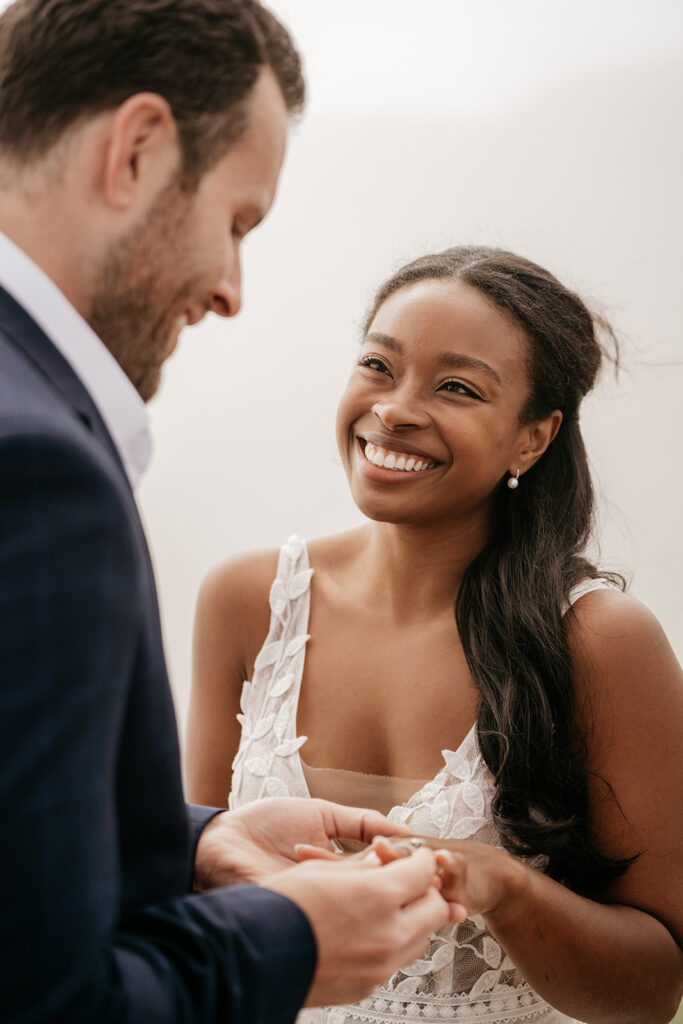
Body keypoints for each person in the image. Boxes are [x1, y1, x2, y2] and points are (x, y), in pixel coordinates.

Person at [0, 2, 456, 1021]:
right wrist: (290, 938)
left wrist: (189, 839)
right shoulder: (38, 467)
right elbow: (44, 1001)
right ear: (138, 151)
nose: (231, 291)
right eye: (237, 222)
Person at [188, 245, 683, 1024]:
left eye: (455, 387)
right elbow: (189, 901)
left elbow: (652, 991)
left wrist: (503, 884)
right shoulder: (246, 602)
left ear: (533, 437)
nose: (394, 409)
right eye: (378, 366)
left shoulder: (598, 641)